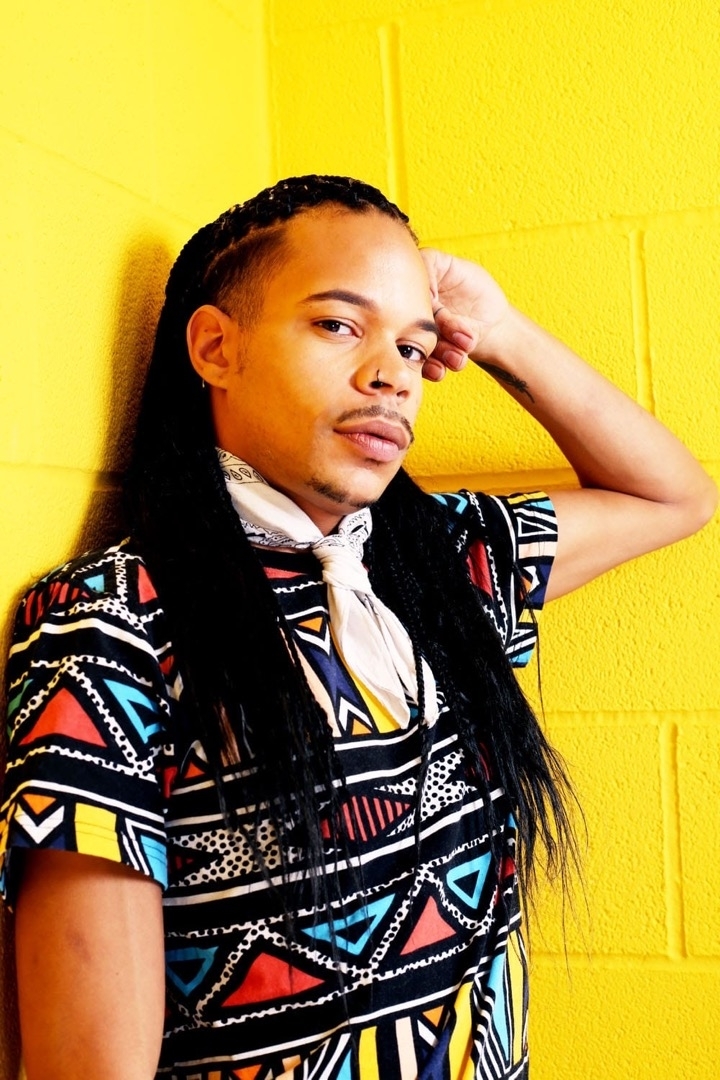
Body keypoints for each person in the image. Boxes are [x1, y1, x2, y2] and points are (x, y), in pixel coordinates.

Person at [0, 175, 715, 1080]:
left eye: (414, 347)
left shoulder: (440, 565)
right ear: (216, 348)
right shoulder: (110, 622)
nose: (392, 377)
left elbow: (676, 496)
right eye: (339, 325)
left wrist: (496, 329)